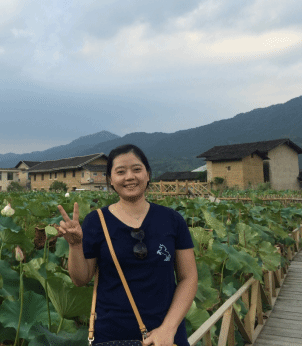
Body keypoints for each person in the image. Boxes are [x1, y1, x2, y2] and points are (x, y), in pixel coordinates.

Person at [57, 144, 198, 346]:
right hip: (112, 336)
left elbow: (189, 277)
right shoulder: (96, 221)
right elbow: (80, 279)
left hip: (166, 336)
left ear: (148, 175)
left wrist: (168, 328)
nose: (129, 177)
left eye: (137, 169)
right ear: (110, 179)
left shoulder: (172, 220)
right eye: (121, 172)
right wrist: (75, 245)